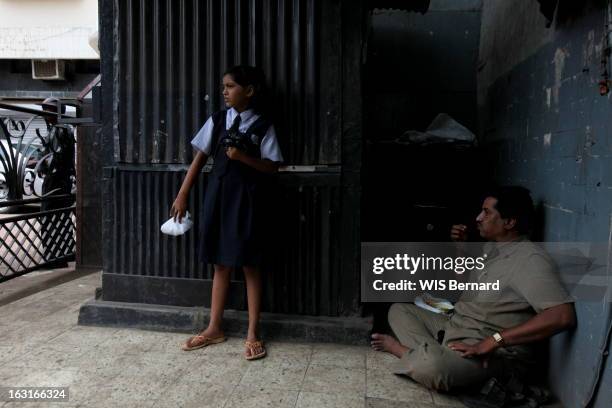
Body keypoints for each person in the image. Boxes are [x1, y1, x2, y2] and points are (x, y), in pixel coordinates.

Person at [370, 186, 576, 391]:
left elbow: (561, 316)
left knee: (432, 366)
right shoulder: (491, 248)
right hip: (456, 327)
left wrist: (492, 342)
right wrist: (460, 249)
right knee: (400, 309)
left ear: (510, 222)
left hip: (491, 353)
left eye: (486, 212)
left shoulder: (529, 260)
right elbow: (462, 290)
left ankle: (405, 352)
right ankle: (435, 354)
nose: (478, 218)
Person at [171, 65, 283, 360]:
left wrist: (243, 157)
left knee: (250, 264)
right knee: (220, 263)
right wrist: (183, 193)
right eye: (223, 86)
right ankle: (214, 327)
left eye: (231, 86)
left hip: (248, 201)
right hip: (218, 198)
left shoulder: (262, 125)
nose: (225, 91)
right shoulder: (218, 121)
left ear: (249, 91)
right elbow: (200, 158)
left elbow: (273, 167)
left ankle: (252, 333)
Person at [39, 97, 76, 268]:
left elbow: (56, 157)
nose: (45, 113)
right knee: (58, 217)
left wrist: (41, 163)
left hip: (56, 180)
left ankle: (55, 257)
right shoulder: (57, 129)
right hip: (58, 180)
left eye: (49, 109)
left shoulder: (61, 130)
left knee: (52, 217)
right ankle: (61, 255)